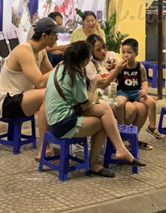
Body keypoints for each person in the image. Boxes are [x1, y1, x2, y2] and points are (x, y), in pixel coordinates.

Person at [44, 40, 145, 177]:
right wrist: (95, 86)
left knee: (105, 109)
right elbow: (85, 104)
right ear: (85, 60)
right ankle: (94, 162)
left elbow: (80, 102)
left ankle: (120, 148)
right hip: (63, 124)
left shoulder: (61, 67)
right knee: (105, 123)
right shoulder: (75, 75)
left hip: (56, 118)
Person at [0, 16, 59, 158]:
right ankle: (44, 147)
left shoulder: (41, 52)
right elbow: (40, 82)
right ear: (44, 36)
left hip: (24, 98)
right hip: (8, 102)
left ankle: (54, 142)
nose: (57, 38)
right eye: (54, 35)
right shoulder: (24, 51)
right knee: (46, 94)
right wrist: (60, 67)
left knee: (55, 94)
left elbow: (51, 79)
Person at [113, 38, 157, 148]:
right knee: (119, 103)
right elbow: (113, 78)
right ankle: (122, 124)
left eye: (129, 52)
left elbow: (144, 81)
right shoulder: (120, 66)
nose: (125, 55)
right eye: (123, 52)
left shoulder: (140, 67)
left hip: (136, 92)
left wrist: (145, 89)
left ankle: (152, 126)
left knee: (151, 102)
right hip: (123, 91)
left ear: (136, 53)